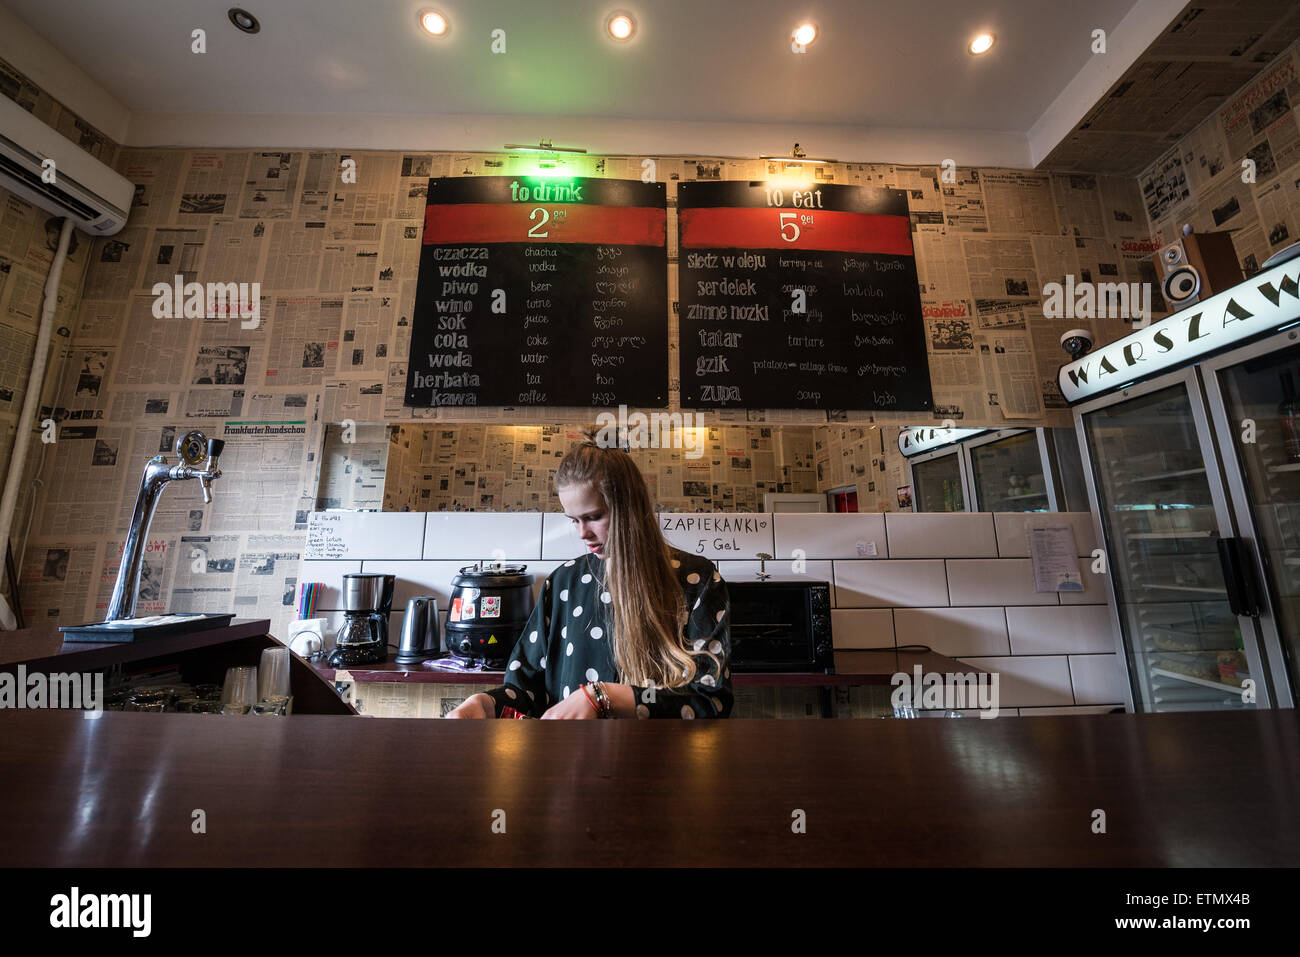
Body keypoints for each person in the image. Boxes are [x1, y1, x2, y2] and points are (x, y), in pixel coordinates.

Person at [446, 433, 732, 719]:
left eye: (594, 516)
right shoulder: (562, 583)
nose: (583, 533)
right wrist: (487, 703)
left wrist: (604, 696)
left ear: (630, 508)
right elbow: (526, 691)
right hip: (573, 760)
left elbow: (710, 701)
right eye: (574, 520)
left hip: (662, 759)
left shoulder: (697, 579)